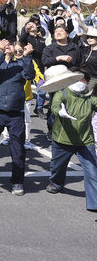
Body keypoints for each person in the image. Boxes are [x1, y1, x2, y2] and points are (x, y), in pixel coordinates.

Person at [0, 39, 35, 196]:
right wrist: (0, 52)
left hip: (16, 112)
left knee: (17, 148)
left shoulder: (19, 64)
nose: (9, 47)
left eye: (11, 45)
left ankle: (17, 181)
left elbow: (29, 74)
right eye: (6, 44)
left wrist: (27, 56)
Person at [48, 70, 97, 212]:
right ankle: (56, 183)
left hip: (85, 141)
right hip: (62, 140)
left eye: (83, 80)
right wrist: (59, 112)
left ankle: (94, 203)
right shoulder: (61, 94)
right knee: (57, 168)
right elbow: (55, 106)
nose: (80, 83)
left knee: (92, 171)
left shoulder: (90, 99)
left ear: (87, 83)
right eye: (77, 79)